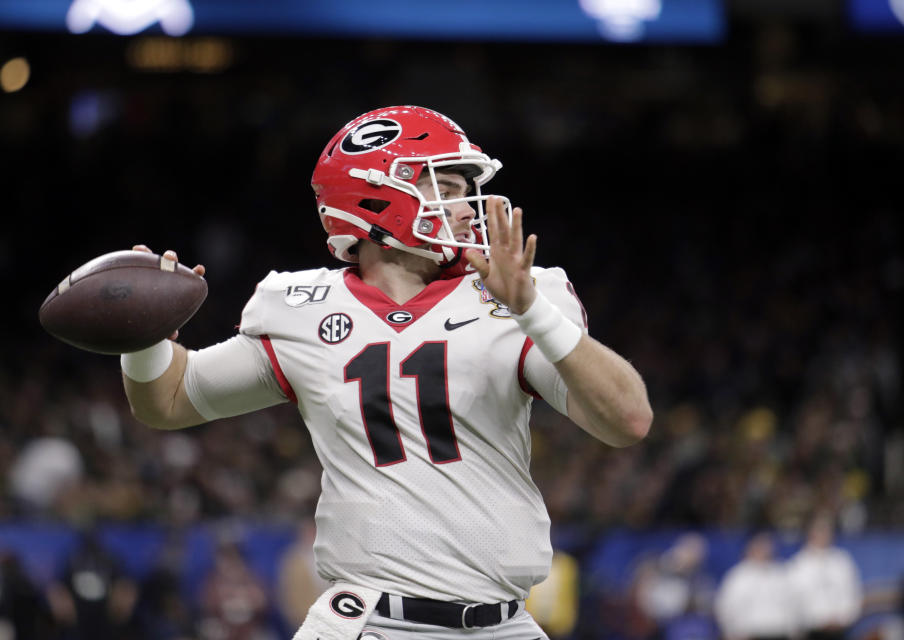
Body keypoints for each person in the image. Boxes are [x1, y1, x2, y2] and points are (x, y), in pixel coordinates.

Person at [119, 105, 653, 639]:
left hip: (502, 623)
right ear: (376, 197)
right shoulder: (301, 306)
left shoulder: (516, 295)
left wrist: (532, 310)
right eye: (444, 186)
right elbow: (168, 400)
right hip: (365, 623)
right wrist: (139, 334)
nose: (469, 209)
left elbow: (627, 419)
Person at [787, 513, 863, 640]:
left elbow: (853, 593)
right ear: (809, 532)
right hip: (812, 631)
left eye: (827, 529)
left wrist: (842, 618)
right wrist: (819, 620)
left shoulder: (842, 560)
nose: (824, 534)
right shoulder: (797, 565)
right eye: (820, 529)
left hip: (840, 630)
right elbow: (794, 602)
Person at [714, 533, 799, 640]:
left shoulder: (781, 573)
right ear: (749, 549)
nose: (763, 550)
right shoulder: (738, 576)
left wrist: (795, 628)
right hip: (750, 634)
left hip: (780, 632)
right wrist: (731, 631)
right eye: (759, 546)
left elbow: (793, 602)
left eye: (766, 546)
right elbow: (725, 607)